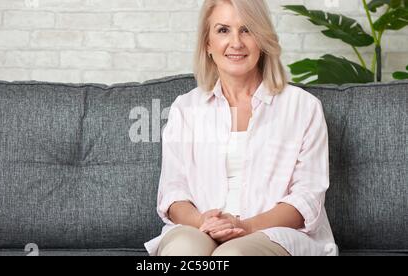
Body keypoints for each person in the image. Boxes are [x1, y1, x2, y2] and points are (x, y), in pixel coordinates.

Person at [144, 0, 336, 256]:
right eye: (223, 30)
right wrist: (203, 221)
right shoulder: (185, 108)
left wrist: (244, 226)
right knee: (182, 251)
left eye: (247, 30)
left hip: (272, 233)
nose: (236, 42)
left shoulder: (303, 107)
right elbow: (173, 191)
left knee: (231, 256)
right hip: (200, 227)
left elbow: (306, 198)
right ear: (208, 44)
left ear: (263, 40)